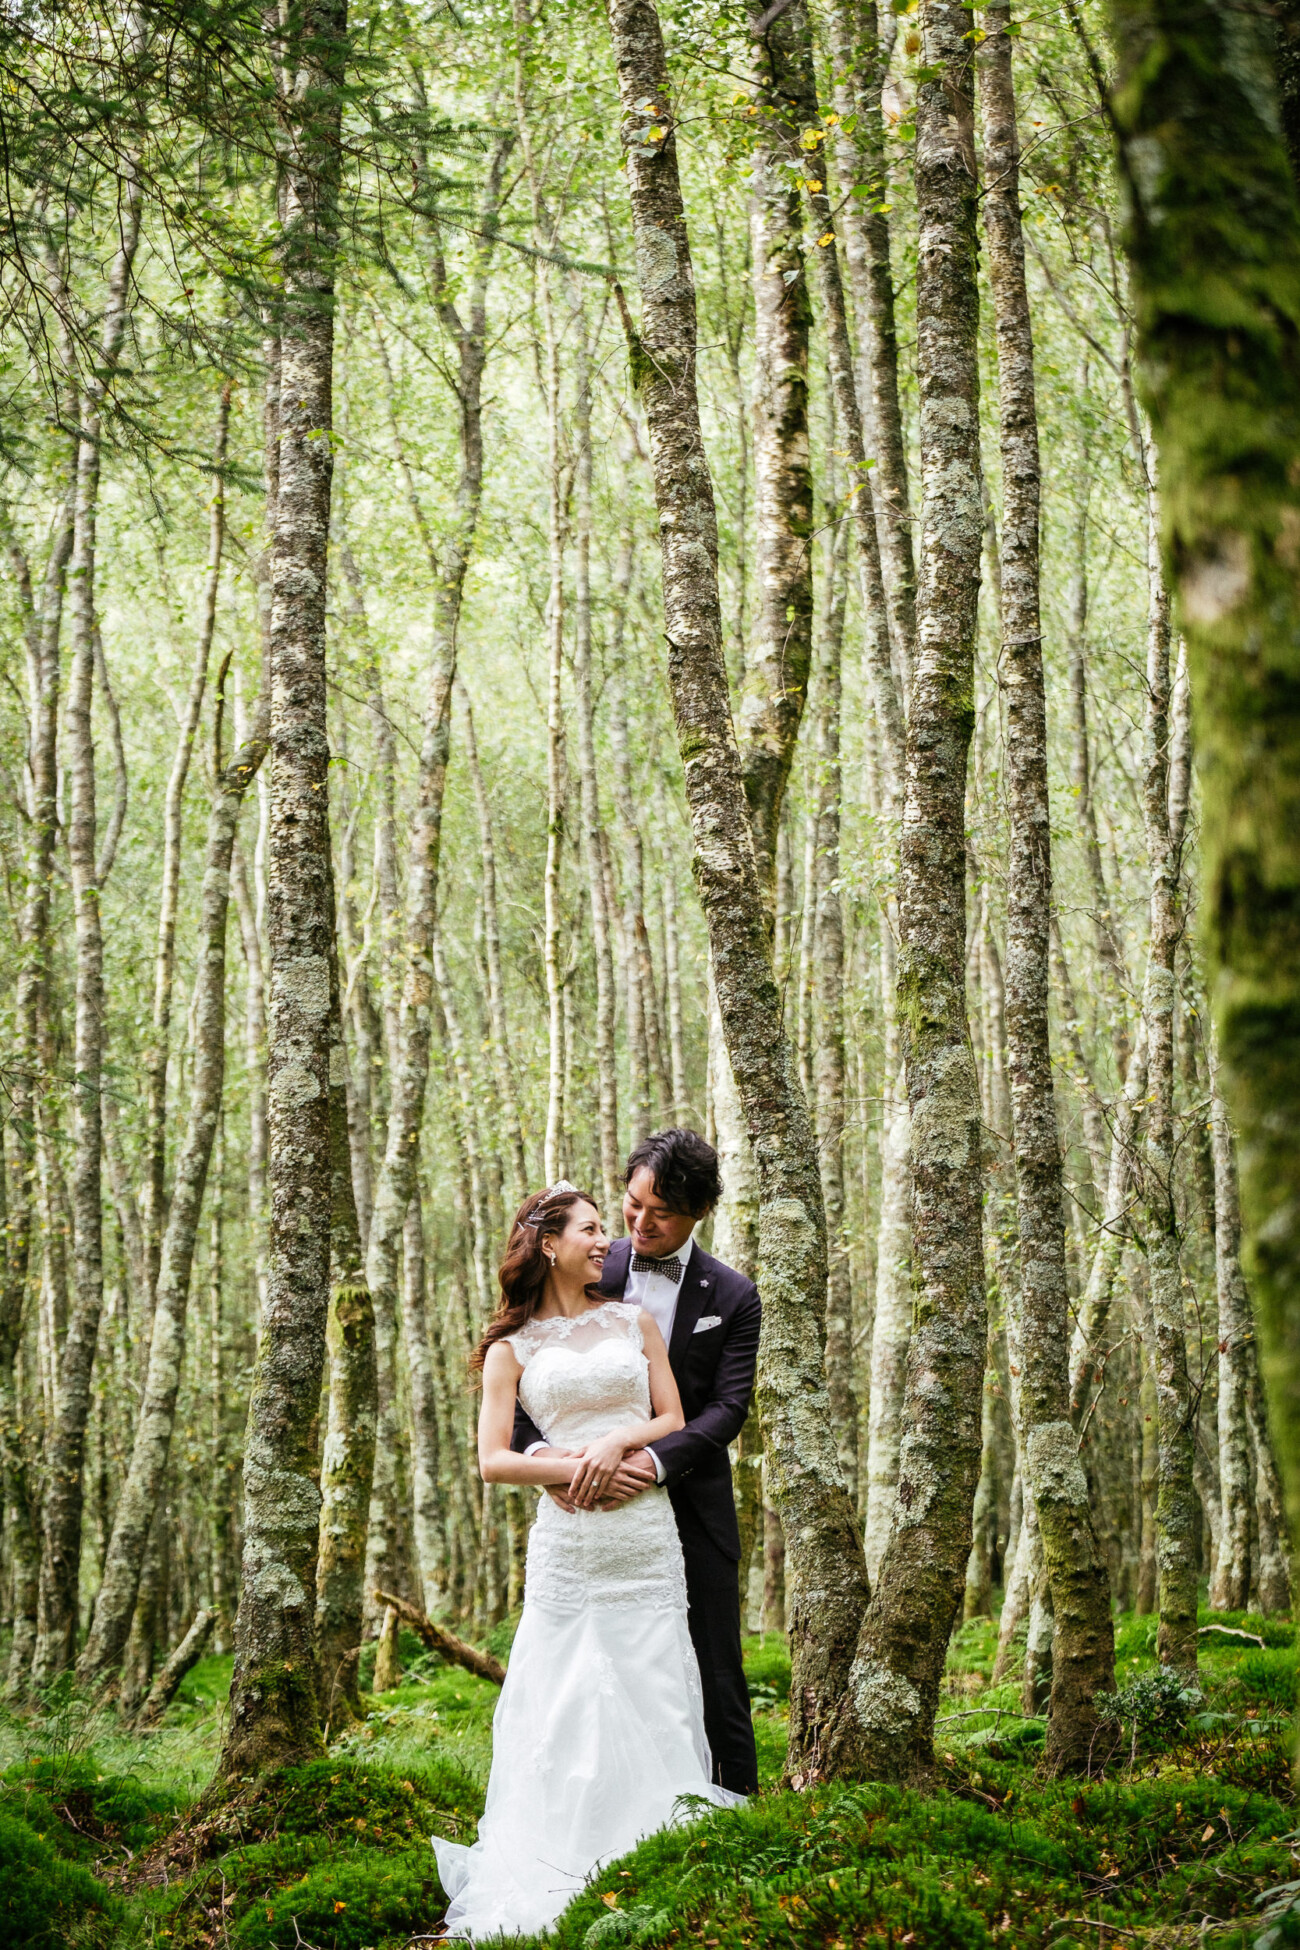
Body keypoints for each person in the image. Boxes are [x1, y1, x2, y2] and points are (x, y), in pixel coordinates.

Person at [431, 1173, 744, 1941]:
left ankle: (661, 1857)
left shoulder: (634, 1323)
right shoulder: (509, 1349)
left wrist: (616, 1444)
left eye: (607, 1227)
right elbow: (493, 1461)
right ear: (549, 1245)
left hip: (644, 1533)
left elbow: (672, 1415)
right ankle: (561, 1866)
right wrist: (570, 1469)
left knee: (657, 1680)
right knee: (563, 1696)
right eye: (591, 1228)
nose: (608, 1239)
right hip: (570, 1539)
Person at [515, 1129, 761, 1799]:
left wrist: (647, 1463)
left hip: (691, 1505)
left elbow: (727, 1408)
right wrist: (550, 1462)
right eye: (633, 1204)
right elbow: (520, 1375)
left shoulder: (733, 1296)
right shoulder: (587, 1261)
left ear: (699, 1212)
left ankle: (738, 1813)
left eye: (662, 1213)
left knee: (714, 1669)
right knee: (592, 1667)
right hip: (584, 1506)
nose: (640, 1223)